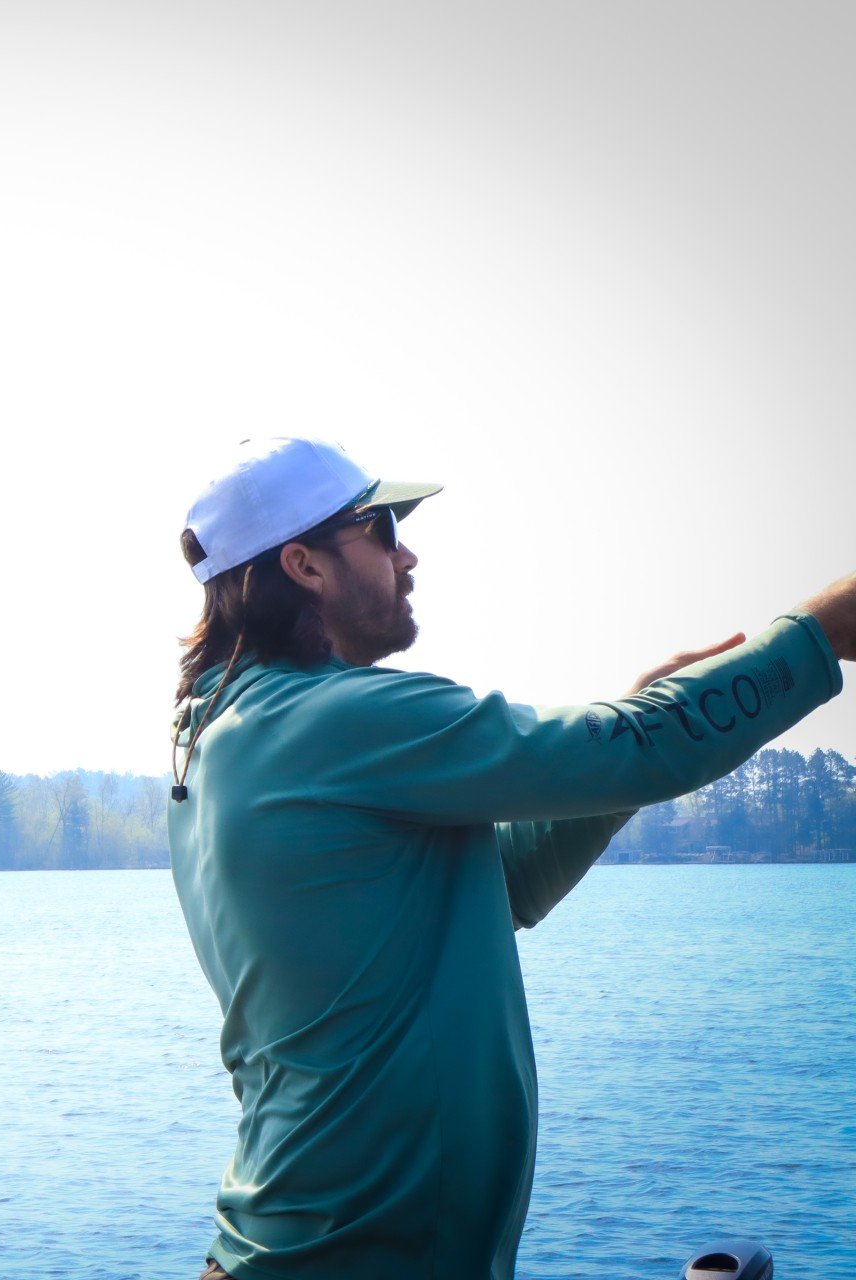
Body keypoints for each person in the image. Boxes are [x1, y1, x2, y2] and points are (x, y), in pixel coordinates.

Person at [166, 436, 854, 1280]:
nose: (407, 553)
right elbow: (652, 746)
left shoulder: (228, 736)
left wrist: (633, 734)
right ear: (304, 565)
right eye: (381, 529)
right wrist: (820, 631)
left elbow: (503, 886)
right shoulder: (335, 722)